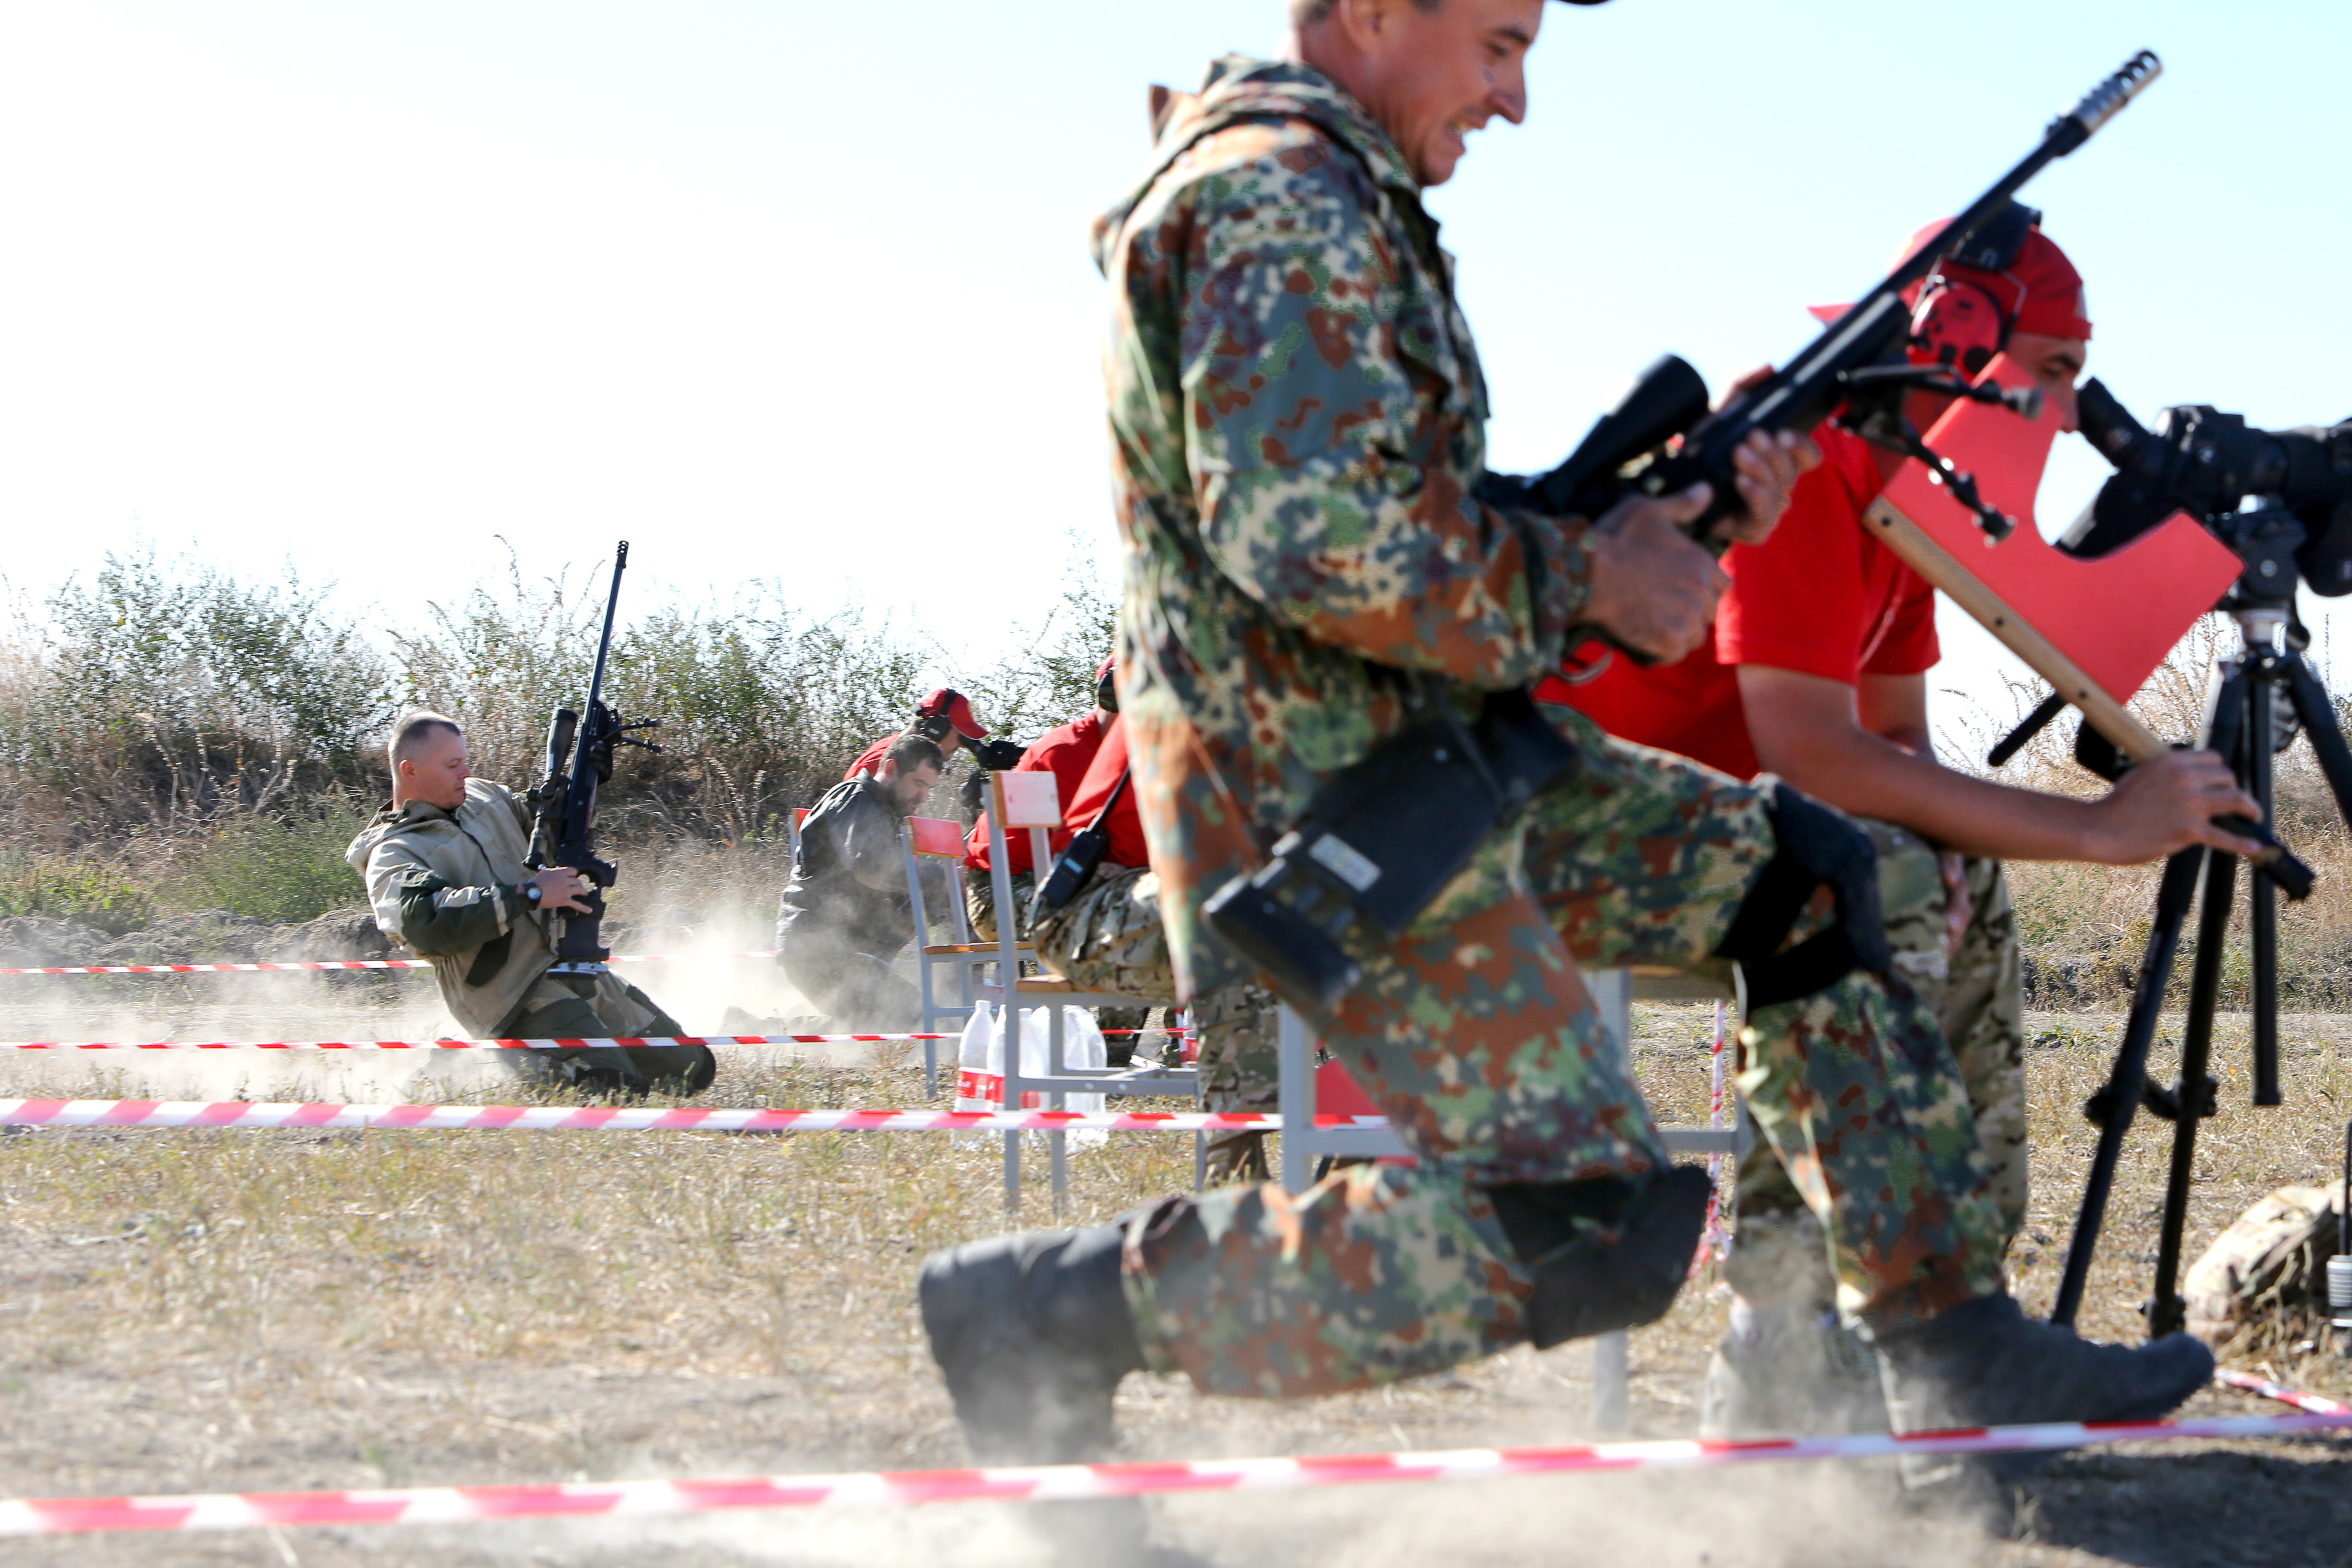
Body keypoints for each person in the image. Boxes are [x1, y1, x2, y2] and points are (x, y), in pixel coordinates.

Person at [915, 0, 2214, 1483]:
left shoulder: (1332, 196)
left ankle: (1941, 1330)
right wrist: (1585, 573)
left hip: (1436, 759)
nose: (1513, 98)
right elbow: (1314, 546)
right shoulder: (1270, 198)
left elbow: (1391, 509)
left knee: (1812, 874)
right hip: (1330, 802)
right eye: (1495, 42)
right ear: (1367, 12)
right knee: (1586, 1230)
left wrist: (1649, 528)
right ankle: (1055, 1315)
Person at [1541, 214, 2263, 1434]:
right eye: (2056, 372)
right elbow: (1811, 749)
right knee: (1865, 882)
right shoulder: (1806, 448)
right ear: (1958, 340)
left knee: (1933, 877)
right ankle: (1815, 1342)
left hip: (1744, 848)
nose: (2067, 413)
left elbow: (1894, 740)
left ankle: (1955, 1332)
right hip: (1585, 842)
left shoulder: (1912, 487)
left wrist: (2002, 839)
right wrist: (2098, 827)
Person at [346, 712, 715, 1094]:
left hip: (568, 963)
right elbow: (425, 923)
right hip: (511, 995)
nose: (465, 773)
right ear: (410, 771)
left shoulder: (484, 797)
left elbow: (549, 829)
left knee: (691, 1071)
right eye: (453, 765)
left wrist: (588, 781)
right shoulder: (395, 852)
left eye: (465, 761)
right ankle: (474, 1061)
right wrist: (531, 894)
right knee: (612, 1090)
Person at [1029, 713, 1283, 1183]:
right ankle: (1236, 1183)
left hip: (1163, 904)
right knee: (1240, 919)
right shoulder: (1201, 689)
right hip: (1083, 909)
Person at [773, 733, 946, 1029]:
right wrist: (943, 878)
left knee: (900, 1020)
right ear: (891, 769)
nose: (923, 797)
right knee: (918, 1022)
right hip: (820, 953)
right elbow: (874, 868)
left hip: (843, 952)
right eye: (919, 784)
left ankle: (753, 1026)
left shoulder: (881, 809)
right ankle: (754, 1033)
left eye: (928, 788)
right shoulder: (857, 800)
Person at [963, 656, 1118, 944]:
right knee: (1127, 916)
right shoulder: (1068, 753)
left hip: (1051, 877)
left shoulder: (1120, 753)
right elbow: (1093, 845)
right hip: (1002, 890)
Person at [844, 688, 1022, 783]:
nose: (962, 746)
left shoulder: (907, 760)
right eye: (962, 737)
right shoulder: (880, 762)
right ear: (936, 729)